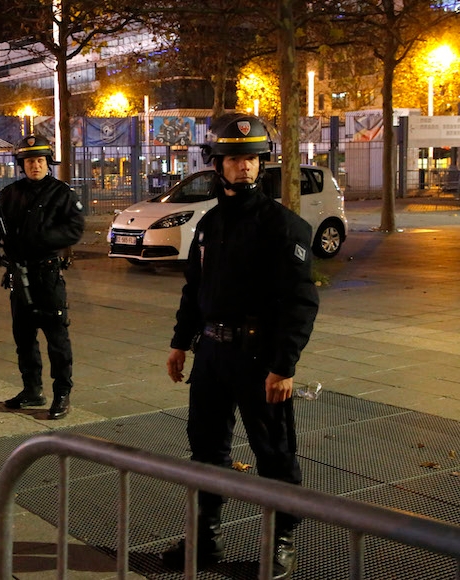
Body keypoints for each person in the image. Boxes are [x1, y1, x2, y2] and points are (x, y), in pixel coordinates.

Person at [162, 114, 319, 579]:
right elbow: (195, 289)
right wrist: (180, 343)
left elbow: (300, 302)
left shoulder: (283, 226)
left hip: (260, 358)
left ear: (262, 164)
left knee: (274, 452)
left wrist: (283, 364)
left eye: (251, 159)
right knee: (206, 449)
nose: (244, 168)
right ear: (217, 165)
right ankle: (204, 536)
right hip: (212, 356)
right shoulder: (209, 223)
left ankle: (281, 540)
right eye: (234, 159)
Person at [0, 135, 85, 420]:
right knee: (24, 337)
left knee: (56, 337)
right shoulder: (10, 193)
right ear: (22, 165)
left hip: (47, 273)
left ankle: (62, 393)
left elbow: (74, 229)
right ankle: (32, 389)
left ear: (48, 163)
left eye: (40, 160)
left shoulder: (61, 192)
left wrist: (39, 238)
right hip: (18, 272)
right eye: (30, 161)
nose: (35, 166)